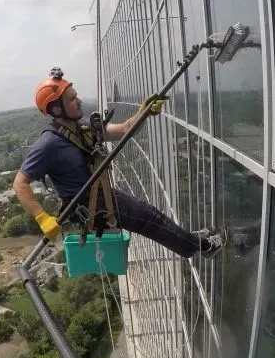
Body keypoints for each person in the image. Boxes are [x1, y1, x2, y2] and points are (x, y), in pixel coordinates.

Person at [13, 68, 227, 260]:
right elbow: (20, 183)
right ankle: (204, 246)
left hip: (100, 197)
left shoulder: (83, 129)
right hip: (89, 207)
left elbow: (124, 130)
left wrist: (143, 114)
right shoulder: (48, 144)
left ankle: (191, 240)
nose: (78, 101)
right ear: (57, 110)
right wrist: (42, 218)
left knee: (151, 215)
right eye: (72, 99)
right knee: (150, 219)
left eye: (76, 96)